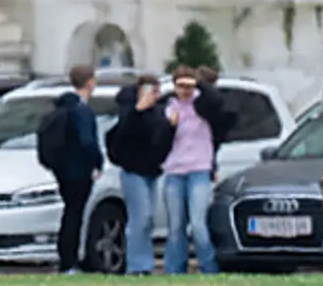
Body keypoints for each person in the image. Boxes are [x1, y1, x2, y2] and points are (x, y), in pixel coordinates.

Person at [158, 66, 229, 275]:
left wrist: (200, 84)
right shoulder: (169, 108)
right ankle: (174, 270)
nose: (185, 90)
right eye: (180, 86)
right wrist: (169, 127)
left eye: (189, 85)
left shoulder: (203, 106)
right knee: (176, 226)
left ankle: (208, 267)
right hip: (174, 171)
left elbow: (217, 103)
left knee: (198, 224)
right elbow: (160, 142)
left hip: (199, 169)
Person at [34, 65, 105, 273]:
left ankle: (68, 258)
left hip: (63, 170)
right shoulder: (81, 110)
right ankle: (69, 260)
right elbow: (87, 141)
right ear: (90, 83)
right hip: (79, 170)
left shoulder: (62, 107)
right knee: (75, 215)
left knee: (70, 213)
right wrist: (97, 161)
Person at [103, 76, 167, 276]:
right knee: (141, 216)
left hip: (152, 171)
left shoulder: (159, 113)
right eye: (149, 90)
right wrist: (138, 110)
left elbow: (161, 138)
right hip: (132, 171)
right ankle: (136, 265)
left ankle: (144, 263)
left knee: (147, 220)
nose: (153, 95)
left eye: (156, 91)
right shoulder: (128, 112)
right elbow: (122, 136)